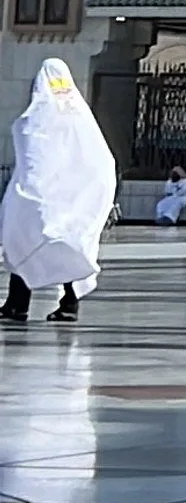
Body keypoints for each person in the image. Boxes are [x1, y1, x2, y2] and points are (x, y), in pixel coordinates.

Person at [2, 56, 115, 323]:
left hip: (41, 197)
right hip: (74, 200)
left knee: (24, 237)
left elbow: (33, 157)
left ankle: (19, 303)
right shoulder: (82, 120)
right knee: (71, 242)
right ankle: (67, 303)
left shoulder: (36, 120)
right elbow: (101, 161)